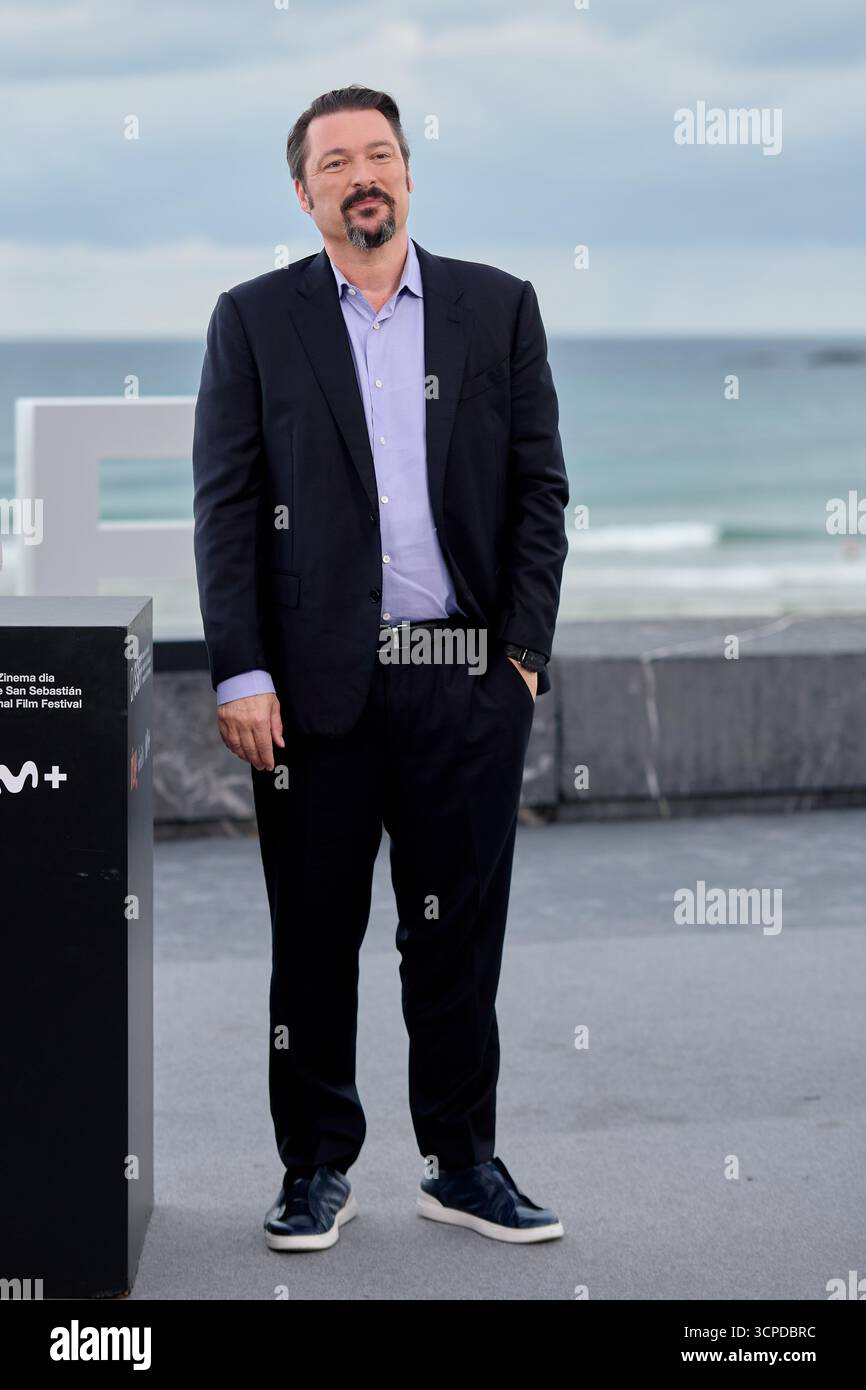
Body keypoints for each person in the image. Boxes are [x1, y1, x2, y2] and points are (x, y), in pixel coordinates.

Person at [192, 85, 569, 1251]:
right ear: (302, 193)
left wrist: (518, 659)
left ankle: (461, 1163)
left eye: (382, 154)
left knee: (453, 936)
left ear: (407, 173)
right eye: (338, 160)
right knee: (312, 943)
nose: (365, 174)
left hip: (459, 678)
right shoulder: (253, 320)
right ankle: (314, 1168)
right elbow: (227, 507)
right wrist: (239, 673)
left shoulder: (495, 308)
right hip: (312, 695)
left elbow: (539, 494)